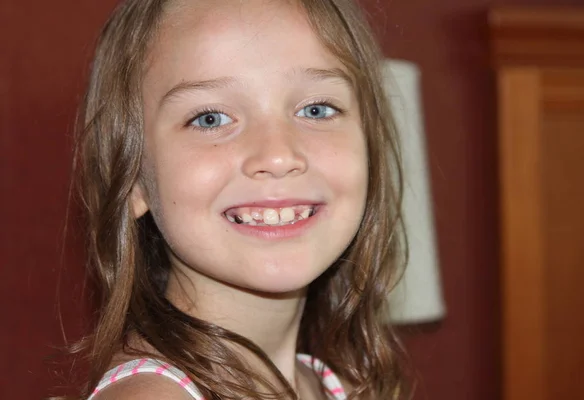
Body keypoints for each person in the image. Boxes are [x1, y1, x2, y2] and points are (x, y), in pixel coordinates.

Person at [71, 0, 411, 398]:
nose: (279, 155)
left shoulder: (341, 388)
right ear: (132, 180)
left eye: (316, 109)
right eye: (210, 118)